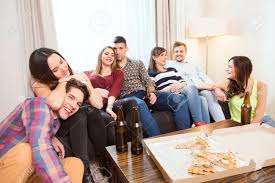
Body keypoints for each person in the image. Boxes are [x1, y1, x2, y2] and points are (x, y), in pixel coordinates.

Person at [29, 48, 106, 182]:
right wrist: (64, 81)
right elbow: (55, 103)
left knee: (92, 112)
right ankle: (86, 175)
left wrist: (86, 81)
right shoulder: (40, 85)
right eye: (55, 70)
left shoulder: (77, 76)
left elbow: (98, 104)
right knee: (79, 115)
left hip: (78, 130)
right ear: (47, 75)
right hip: (60, 130)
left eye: (62, 62)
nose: (63, 69)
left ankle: (105, 161)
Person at [0, 78, 88, 183]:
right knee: (27, 152)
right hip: (6, 168)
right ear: (60, 94)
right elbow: (41, 150)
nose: (74, 106)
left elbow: (37, 134)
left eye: (78, 104)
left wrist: (51, 138)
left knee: (75, 164)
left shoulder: (56, 121)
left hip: (26, 173)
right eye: (71, 97)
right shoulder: (37, 104)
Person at [113, 36, 191, 137]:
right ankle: (157, 143)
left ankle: (185, 138)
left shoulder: (137, 63)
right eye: (115, 49)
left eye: (121, 48)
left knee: (179, 99)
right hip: (128, 99)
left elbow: (148, 81)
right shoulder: (112, 67)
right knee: (139, 103)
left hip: (145, 94)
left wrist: (152, 93)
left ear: (126, 49)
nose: (117, 52)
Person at [85, 46, 137, 144]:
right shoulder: (89, 74)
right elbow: (84, 91)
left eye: (112, 55)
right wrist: (96, 90)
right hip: (95, 106)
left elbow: (114, 91)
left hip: (110, 103)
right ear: (100, 56)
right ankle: (113, 155)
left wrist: (109, 107)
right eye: (106, 53)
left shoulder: (117, 72)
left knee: (132, 102)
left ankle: (131, 142)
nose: (110, 56)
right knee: (109, 120)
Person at [166, 41, 225, 122]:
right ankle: (206, 126)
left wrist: (215, 88)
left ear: (185, 52)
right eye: (176, 51)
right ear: (173, 53)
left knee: (208, 94)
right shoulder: (169, 64)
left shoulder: (193, 65)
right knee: (202, 95)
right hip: (186, 89)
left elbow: (205, 77)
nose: (179, 53)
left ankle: (222, 123)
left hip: (201, 88)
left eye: (181, 51)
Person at [148, 46, 209, 124]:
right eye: (162, 55)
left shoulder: (172, 69)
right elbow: (154, 91)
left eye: (165, 55)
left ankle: (205, 127)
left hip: (181, 90)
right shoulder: (151, 73)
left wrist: (179, 85)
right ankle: (199, 122)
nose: (165, 57)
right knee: (201, 99)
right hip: (168, 94)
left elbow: (183, 82)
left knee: (194, 90)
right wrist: (169, 88)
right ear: (154, 57)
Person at [214, 56, 268, 123]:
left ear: (239, 69)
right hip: (237, 126)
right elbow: (203, 85)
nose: (226, 69)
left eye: (230, 67)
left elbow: (259, 116)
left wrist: (249, 130)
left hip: (260, 123)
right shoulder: (228, 84)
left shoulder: (261, 86)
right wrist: (217, 89)